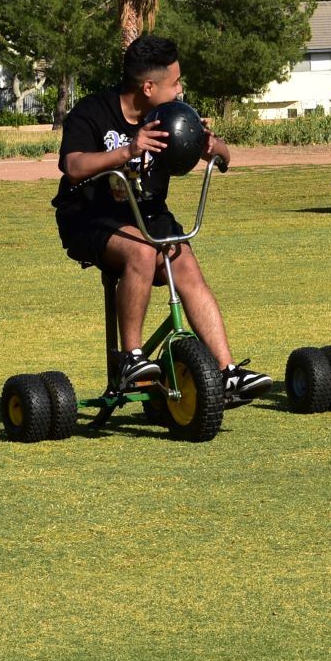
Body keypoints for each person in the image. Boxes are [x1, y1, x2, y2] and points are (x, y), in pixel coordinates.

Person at [53, 34, 271, 402]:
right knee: (140, 252)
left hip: (149, 214)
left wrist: (211, 145)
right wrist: (128, 150)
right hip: (89, 217)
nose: (181, 89)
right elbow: (73, 166)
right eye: (175, 82)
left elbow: (226, 158)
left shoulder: (171, 117)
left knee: (186, 266)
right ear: (148, 86)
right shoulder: (92, 112)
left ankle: (226, 371)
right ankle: (131, 358)